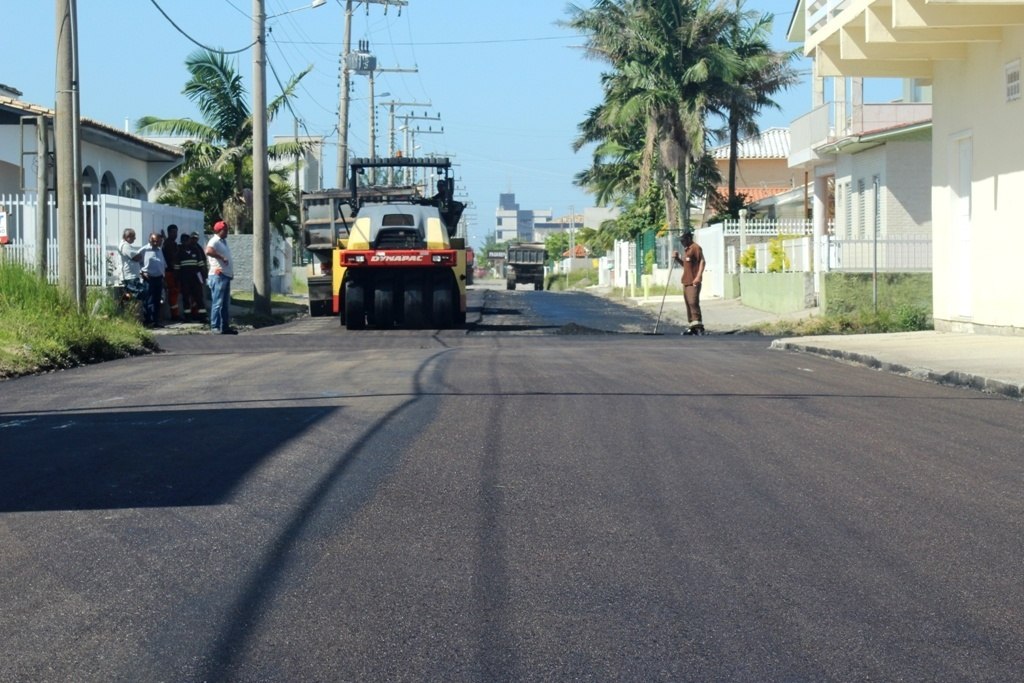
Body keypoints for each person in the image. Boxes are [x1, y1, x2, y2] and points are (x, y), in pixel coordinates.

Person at [205, 220, 237, 335]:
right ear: (219, 231)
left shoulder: (223, 242)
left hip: (225, 276)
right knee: (217, 302)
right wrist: (221, 257)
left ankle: (224, 327)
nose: (227, 232)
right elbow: (208, 251)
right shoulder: (214, 240)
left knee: (224, 303)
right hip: (218, 275)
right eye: (225, 230)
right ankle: (215, 326)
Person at [672, 229, 706, 335]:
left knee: (693, 302)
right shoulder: (686, 250)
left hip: (693, 281)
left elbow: (702, 261)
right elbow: (685, 265)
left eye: (683, 239)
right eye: (681, 240)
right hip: (686, 281)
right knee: (688, 304)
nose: (682, 242)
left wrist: (698, 276)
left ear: (688, 238)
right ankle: (692, 326)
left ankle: (699, 327)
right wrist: (677, 259)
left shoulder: (695, 248)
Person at [138, 232, 167, 328]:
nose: (156, 243)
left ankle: (156, 321)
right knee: (149, 300)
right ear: (149, 240)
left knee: (157, 300)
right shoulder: (144, 250)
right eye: (154, 241)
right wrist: (141, 272)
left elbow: (162, 264)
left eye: (158, 241)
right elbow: (136, 262)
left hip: (159, 278)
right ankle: (148, 321)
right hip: (149, 278)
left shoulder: (159, 250)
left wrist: (163, 276)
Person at [178, 231, 206, 322]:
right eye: (183, 241)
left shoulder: (196, 250)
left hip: (195, 278)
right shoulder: (179, 252)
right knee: (186, 297)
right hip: (184, 279)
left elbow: (201, 265)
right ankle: (187, 317)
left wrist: (203, 278)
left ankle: (203, 316)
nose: (186, 242)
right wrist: (177, 280)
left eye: (187, 240)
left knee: (198, 297)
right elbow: (176, 268)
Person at [162, 223, 182, 321]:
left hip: (175, 272)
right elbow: (172, 259)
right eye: (173, 232)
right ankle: (174, 315)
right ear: (169, 233)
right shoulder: (168, 244)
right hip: (170, 272)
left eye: (176, 232)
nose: (175, 234)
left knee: (175, 292)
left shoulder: (172, 243)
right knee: (173, 292)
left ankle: (176, 313)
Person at [117, 228, 143, 299]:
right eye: (133, 236)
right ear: (128, 237)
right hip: (130, 276)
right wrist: (139, 255)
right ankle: (124, 298)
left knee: (139, 292)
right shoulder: (125, 246)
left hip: (131, 276)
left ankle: (126, 297)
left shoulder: (126, 245)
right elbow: (136, 257)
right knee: (140, 292)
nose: (135, 238)